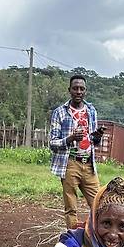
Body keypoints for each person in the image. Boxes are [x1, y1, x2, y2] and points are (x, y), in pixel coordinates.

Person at [49, 74, 105, 229]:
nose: (78, 91)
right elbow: (52, 143)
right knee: (71, 207)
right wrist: (71, 137)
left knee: (98, 204)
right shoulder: (60, 112)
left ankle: (95, 238)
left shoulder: (91, 111)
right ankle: (73, 240)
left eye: (82, 89)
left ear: (85, 91)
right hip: (70, 163)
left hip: (89, 164)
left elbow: (93, 141)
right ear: (69, 90)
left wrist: (98, 136)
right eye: (75, 88)